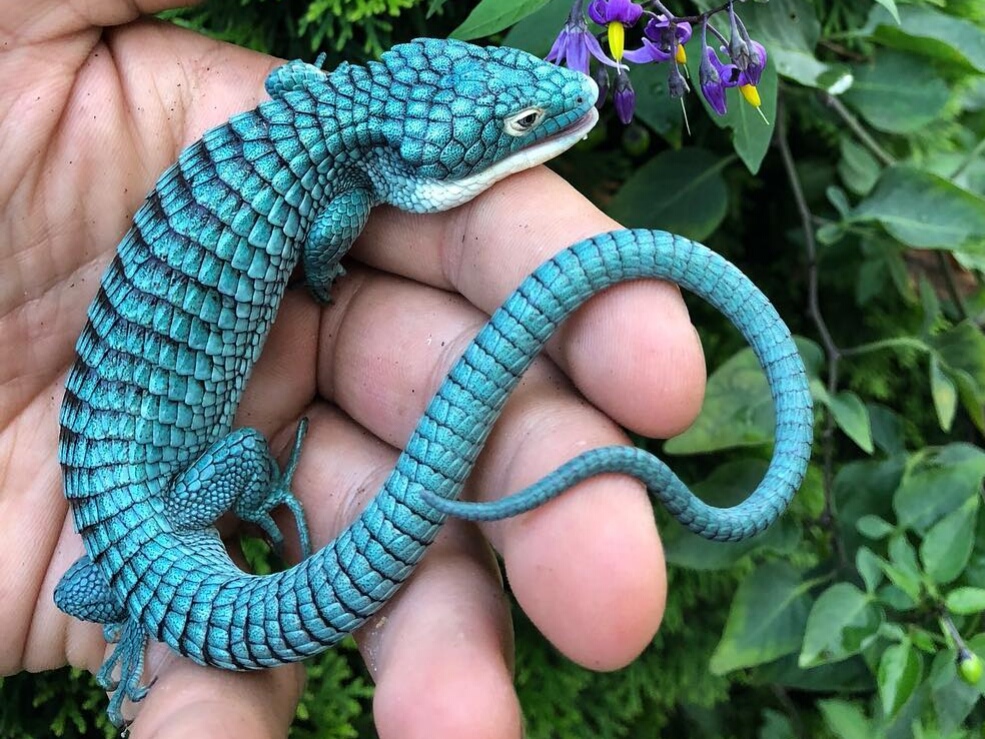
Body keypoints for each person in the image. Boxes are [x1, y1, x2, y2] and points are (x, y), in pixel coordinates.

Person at [0, 1, 706, 736]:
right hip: (169, 507)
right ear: (409, 155)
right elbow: (322, 250)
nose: (569, 101)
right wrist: (324, 273)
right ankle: (212, 540)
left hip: (117, 469)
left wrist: (146, 604)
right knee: (241, 459)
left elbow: (86, 591)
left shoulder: (305, 94)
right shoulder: (346, 189)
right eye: (521, 123)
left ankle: (146, 605)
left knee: (118, 577)